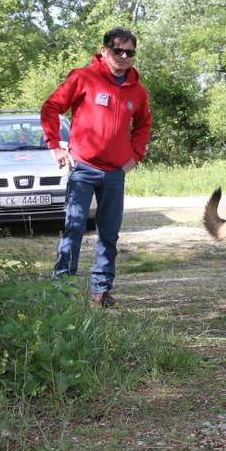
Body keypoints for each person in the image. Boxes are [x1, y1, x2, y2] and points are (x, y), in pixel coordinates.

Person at [41, 27, 152, 307]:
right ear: (104, 51)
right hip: (83, 167)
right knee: (75, 226)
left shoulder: (137, 90)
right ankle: (63, 289)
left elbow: (143, 125)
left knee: (109, 233)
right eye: (118, 50)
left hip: (115, 172)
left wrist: (135, 155)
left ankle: (100, 291)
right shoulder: (84, 77)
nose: (124, 56)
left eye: (130, 52)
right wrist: (54, 144)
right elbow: (51, 107)